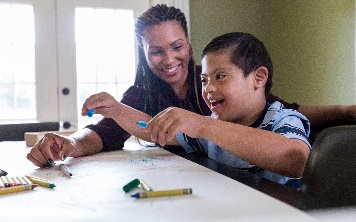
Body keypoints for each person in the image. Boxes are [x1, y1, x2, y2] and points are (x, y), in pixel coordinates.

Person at [26, 4, 355, 168]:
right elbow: (148, 128)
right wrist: (112, 112)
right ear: (144, 55)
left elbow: (294, 148)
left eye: (176, 46)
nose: (208, 88)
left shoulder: (271, 114)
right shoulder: (161, 102)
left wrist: (344, 110)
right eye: (155, 50)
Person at [81, 31, 311, 189]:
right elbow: (156, 129)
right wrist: (118, 111)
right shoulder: (211, 132)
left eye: (220, 77)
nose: (208, 88)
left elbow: (294, 158)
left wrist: (204, 125)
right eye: (203, 80)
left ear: (258, 77)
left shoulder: (284, 118)